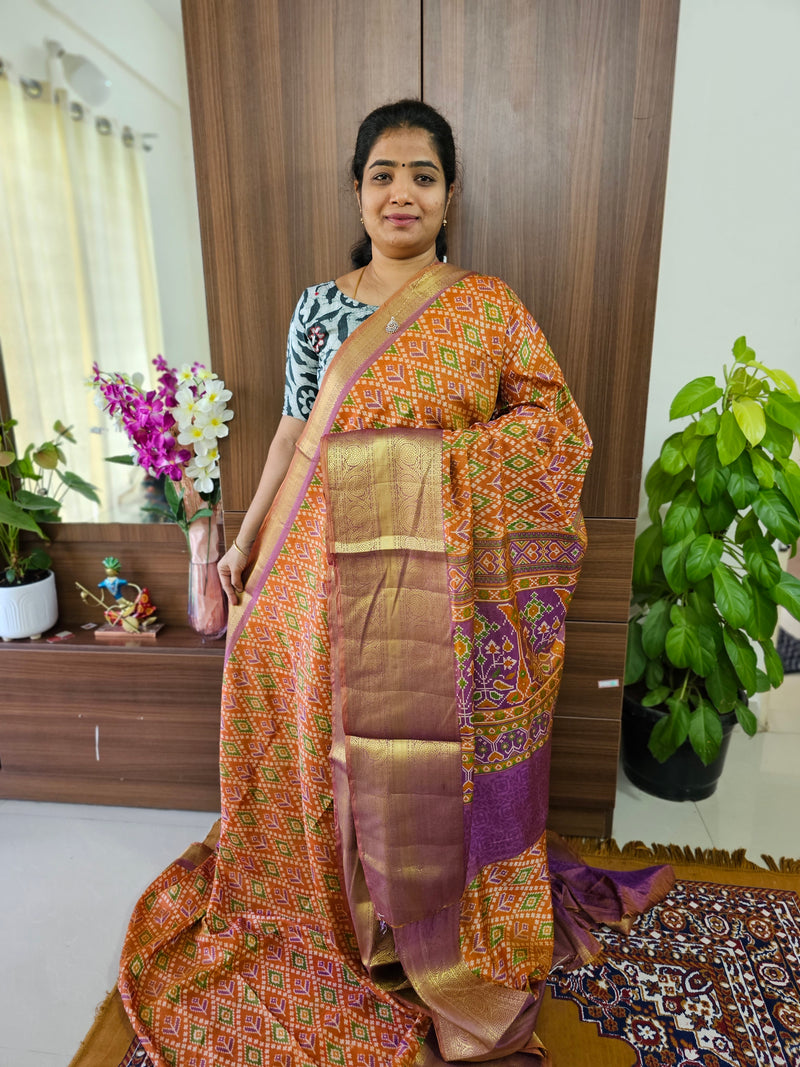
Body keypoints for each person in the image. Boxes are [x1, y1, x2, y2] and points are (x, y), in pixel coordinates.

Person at [119, 100, 672, 1066]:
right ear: (359, 192)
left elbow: (554, 433)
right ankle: (321, 906)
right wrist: (247, 543)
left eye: (422, 173)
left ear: (450, 196)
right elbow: (297, 435)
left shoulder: (488, 308)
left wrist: (427, 468)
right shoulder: (317, 308)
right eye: (382, 174)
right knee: (303, 731)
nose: (401, 192)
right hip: (312, 574)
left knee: (414, 760)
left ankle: (415, 913)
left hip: (433, 599)